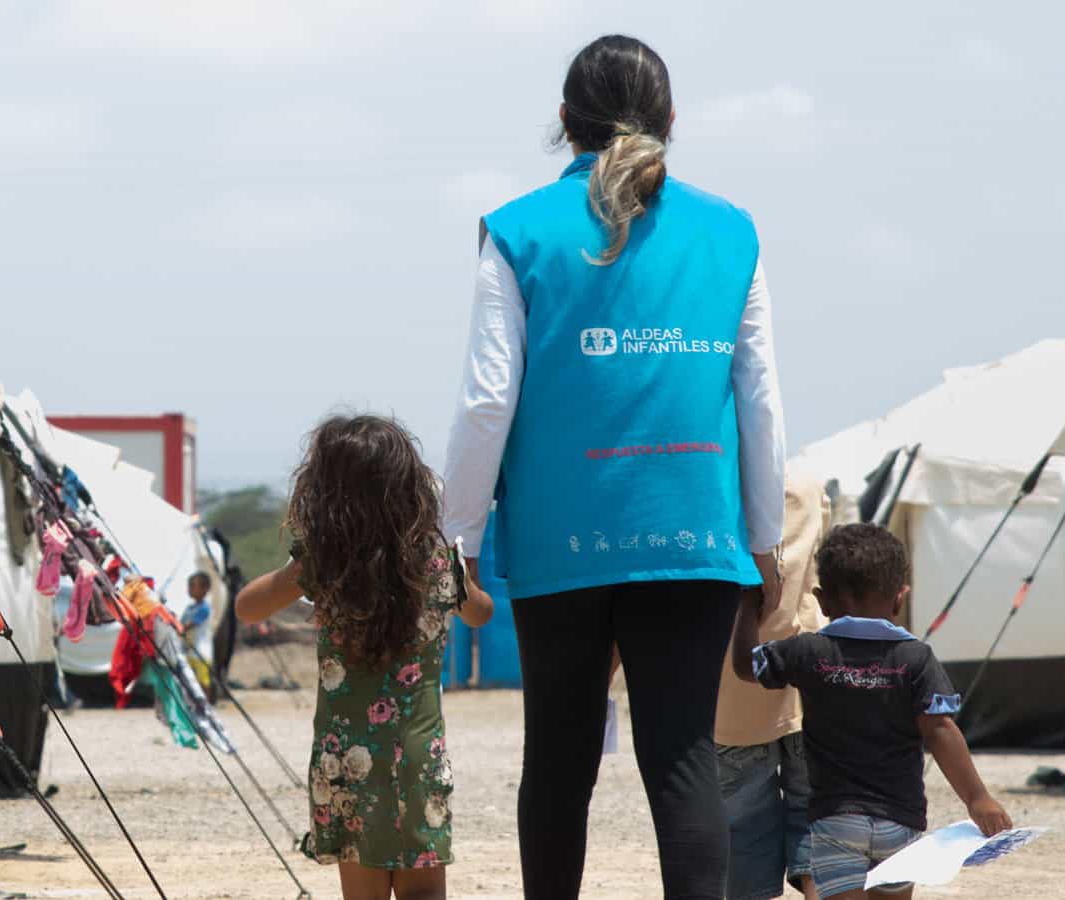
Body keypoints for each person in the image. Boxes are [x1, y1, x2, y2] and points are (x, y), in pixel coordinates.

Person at [440, 34, 787, 898]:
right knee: (682, 759)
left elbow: (489, 401)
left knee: (557, 761)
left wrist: (458, 539)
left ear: (565, 122)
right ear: (672, 121)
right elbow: (761, 398)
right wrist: (766, 541)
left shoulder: (517, 232)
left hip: (562, 541)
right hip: (696, 533)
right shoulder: (732, 232)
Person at [237, 414, 494, 900]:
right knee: (424, 891)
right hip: (418, 755)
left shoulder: (323, 561)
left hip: (344, 757)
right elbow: (481, 614)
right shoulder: (436, 557)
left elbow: (248, 606)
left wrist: (301, 566)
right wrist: (461, 577)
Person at [731, 524, 1013, 899]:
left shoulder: (807, 652)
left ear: (820, 600)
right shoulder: (916, 658)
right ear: (900, 599)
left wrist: (748, 604)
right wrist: (978, 799)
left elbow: (745, 666)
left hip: (835, 821)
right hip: (900, 823)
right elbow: (940, 730)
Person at [716, 476, 832, 900]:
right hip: (806, 679)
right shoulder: (806, 487)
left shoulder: (708, 486)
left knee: (743, 835)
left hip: (730, 702)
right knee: (817, 819)